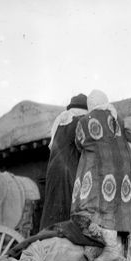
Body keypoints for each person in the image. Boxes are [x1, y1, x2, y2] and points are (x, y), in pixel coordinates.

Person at [70, 89, 131, 261]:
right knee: (113, 207)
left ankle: (109, 248)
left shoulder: (85, 121)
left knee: (86, 206)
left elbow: (79, 143)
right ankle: (112, 249)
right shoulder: (118, 119)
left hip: (101, 170)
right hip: (123, 170)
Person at [39, 94, 88, 230]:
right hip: (69, 169)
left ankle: (48, 237)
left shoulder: (61, 122)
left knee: (52, 206)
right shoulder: (80, 121)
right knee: (68, 206)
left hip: (53, 170)